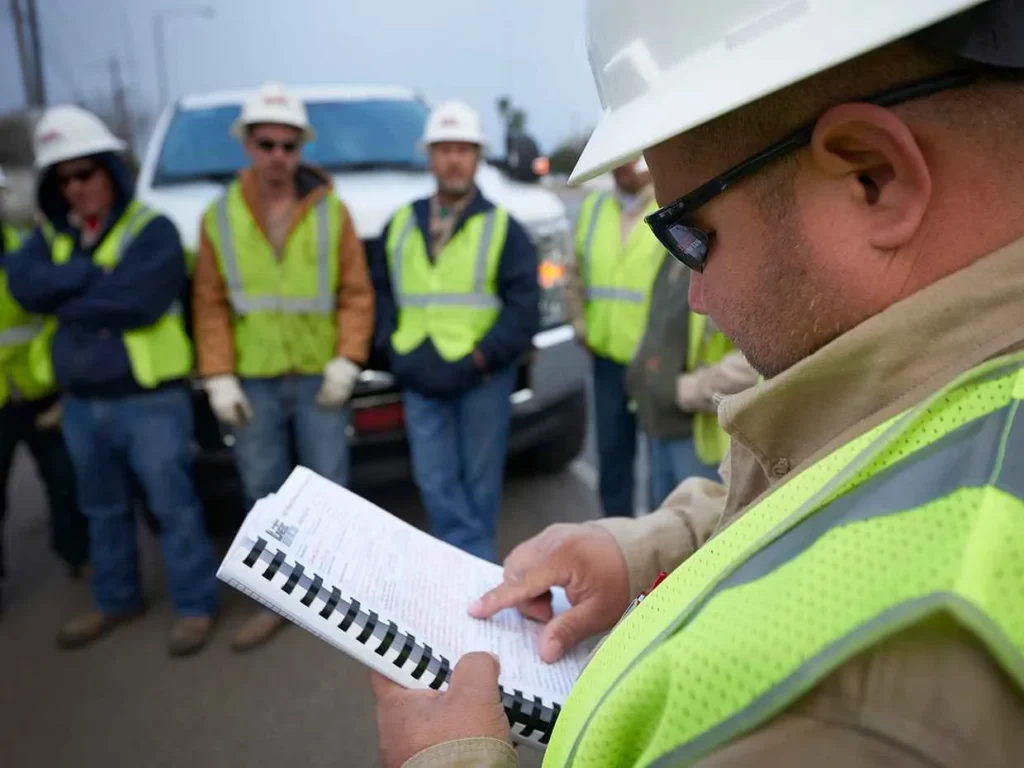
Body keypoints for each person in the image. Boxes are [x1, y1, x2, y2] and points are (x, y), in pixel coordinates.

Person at [371, 1, 1024, 765]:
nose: (697, 295)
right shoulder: (953, 395)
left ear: (871, 177)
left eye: (690, 233)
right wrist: (648, 549)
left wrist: (451, 756)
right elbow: (835, 498)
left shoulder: (875, 703)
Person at [5, 106, 218, 655]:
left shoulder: (152, 230)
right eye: (64, 178)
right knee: (100, 508)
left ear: (111, 171)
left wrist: (67, 293)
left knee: (173, 508)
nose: (76, 188)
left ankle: (194, 607)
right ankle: (116, 598)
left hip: (150, 401)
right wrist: (91, 276)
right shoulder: (49, 241)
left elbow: (139, 302)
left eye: (86, 173)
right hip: (81, 404)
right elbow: (25, 286)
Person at [193, 81, 374, 652]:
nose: (278, 155)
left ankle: (338, 601)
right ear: (247, 144)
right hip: (255, 379)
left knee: (330, 495)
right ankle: (276, 601)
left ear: (301, 149)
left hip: (320, 375)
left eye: (288, 145)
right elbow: (211, 302)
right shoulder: (219, 218)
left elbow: (355, 293)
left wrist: (347, 360)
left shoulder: (332, 213)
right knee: (263, 494)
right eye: (266, 142)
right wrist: (218, 375)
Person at [371, 101, 539, 563]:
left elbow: (525, 309)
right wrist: (393, 351)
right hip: (419, 374)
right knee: (434, 481)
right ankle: (466, 570)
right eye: (444, 149)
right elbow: (380, 293)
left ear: (477, 157)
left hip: (481, 376)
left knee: (479, 483)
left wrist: (481, 358)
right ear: (430, 157)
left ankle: (471, 574)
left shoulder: (504, 228)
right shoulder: (401, 223)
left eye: (463, 149)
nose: (453, 159)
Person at [0, 166, 88, 610]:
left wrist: (64, 385)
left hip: (40, 391)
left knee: (65, 483)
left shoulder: (25, 254)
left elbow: (56, 317)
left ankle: (78, 558)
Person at [567, 157, 666, 516]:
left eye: (636, 159)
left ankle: (663, 560)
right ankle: (618, 541)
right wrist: (580, 325)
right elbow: (573, 273)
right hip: (607, 359)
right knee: (613, 459)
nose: (627, 167)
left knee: (663, 468)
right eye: (620, 160)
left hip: (656, 362)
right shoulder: (593, 207)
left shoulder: (668, 204)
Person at [627, 252, 758, 509]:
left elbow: (757, 358)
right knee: (662, 521)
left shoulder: (733, 253)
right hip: (657, 419)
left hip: (698, 432)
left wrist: (690, 390)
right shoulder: (670, 250)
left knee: (700, 527)